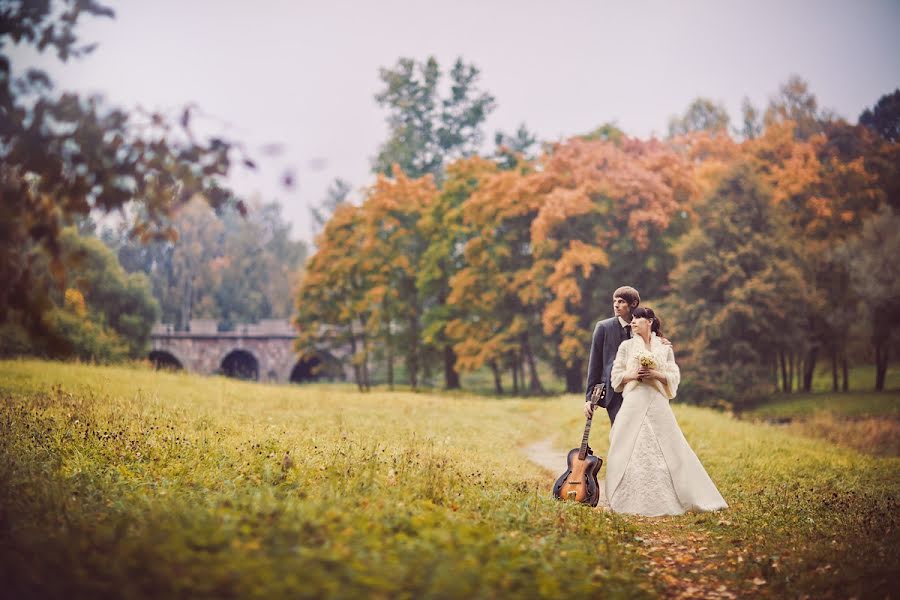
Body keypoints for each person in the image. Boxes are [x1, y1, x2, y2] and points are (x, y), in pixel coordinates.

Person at [605, 307, 727, 516]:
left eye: (637, 319)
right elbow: (616, 376)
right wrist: (633, 374)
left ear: (649, 321)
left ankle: (674, 496)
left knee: (670, 446)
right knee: (628, 446)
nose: (632, 322)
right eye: (632, 319)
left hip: (656, 401)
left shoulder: (664, 347)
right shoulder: (625, 346)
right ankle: (626, 500)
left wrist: (655, 373)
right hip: (634, 401)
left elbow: (673, 375)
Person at [583, 286, 641, 425]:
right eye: (615, 301)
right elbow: (595, 363)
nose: (616, 305)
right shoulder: (603, 327)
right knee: (620, 433)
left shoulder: (642, 325)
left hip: (639, 390)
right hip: (613, 393)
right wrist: (589, 398)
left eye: (621, 301)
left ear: (633, 303)